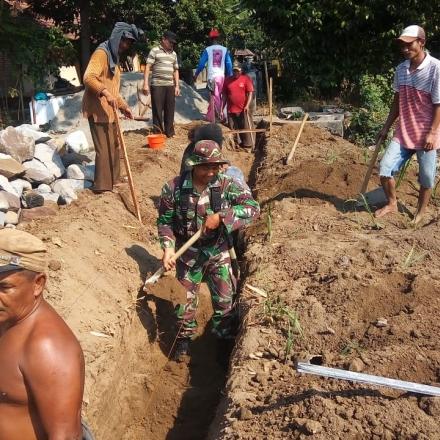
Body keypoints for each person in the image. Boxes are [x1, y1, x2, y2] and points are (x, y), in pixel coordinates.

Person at [157, 140, 260, 361]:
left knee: (225, 303)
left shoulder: (227, 185)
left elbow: (253, 208)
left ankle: (224, 344)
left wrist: (222, 217)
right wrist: (167, 248)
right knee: (183, 302)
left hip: (218, 251)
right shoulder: (173, 188)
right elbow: (165, 222)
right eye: (206, 167)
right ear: (193, 165)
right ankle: (183, 341)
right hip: (188, 253)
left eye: (215, 167)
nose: (211, 172)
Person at [0, 229, 90, 440]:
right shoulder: (8, 319)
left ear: (38, 284)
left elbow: (65, 436)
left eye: (4, 287)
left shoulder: (46, 347)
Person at [375, 25, 440, 225]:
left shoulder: (436, 68)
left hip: (427, 133)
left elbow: (439, 103)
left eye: (409, 44)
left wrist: (432, 133)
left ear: (422, 42)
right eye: (402, 45)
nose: (405, 49)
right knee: (385, 169)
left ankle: (420, 213)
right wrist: (386, 127)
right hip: (404, 131)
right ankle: (392, 202)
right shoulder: (401, 69)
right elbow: (397, 101)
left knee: (427, 177)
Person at [83, 22, 143, 193]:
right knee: (104, 148)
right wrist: (105, 94)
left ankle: (115, 180)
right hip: (97, 108)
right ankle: (102, 187)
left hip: (110, 109)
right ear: (117, 38)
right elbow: (89, 77)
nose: (126, 45)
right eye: (124, 41)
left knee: (114, 145)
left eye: (129, 43)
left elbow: (114, 89)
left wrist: (124, 106)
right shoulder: (101, 54)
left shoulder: (113, 58)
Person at [142, 31, 180, 138]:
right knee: (157, 110)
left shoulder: (174, 54)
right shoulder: (155, 50)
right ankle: (158, 132)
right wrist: (145, 84)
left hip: (170, 85)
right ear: (163, 39)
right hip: (157, 85)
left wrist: (177, 86)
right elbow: (148, 66)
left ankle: (169, 132)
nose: (172, 44)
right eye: (170, 42)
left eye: (173, 43)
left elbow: (176, 70)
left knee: (170, 109)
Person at [193, 28, 233, 122]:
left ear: (210, 39)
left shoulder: (208, 50)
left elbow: (201, 64)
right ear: (218, 39)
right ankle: (210, 115)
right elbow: (229, 64)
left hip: (212, 78)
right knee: (221, 96)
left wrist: (196, 75)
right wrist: (230, 76)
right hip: (222, 77)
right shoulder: (225, 49)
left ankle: (220, 116)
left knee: (214, 97)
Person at [222, 61, 255, 148]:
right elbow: (224, 95)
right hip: (231, 110)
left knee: (246, 127)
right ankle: (236, 145)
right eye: (234, 71)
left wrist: (247, 105)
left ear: (241, 71)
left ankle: (248, 144)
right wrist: (222, 108)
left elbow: (250, 93)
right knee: (233, 129)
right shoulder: (227, 80)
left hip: (243, 109)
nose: (236, 72)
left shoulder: (246, 79)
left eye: (237, 71)